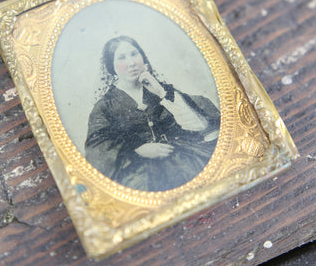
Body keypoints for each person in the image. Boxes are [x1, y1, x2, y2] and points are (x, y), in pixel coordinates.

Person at [85, 36, 220, 192]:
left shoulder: (159, 88)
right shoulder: (105, 106)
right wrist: (137, 151)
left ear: (143, 57)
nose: (132, 63)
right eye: (121, 58)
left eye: (134, 54)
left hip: (184, 159)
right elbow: (97, 151)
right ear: (111, 66)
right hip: (139, 172)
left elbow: (200, 125)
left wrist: (161, 93)